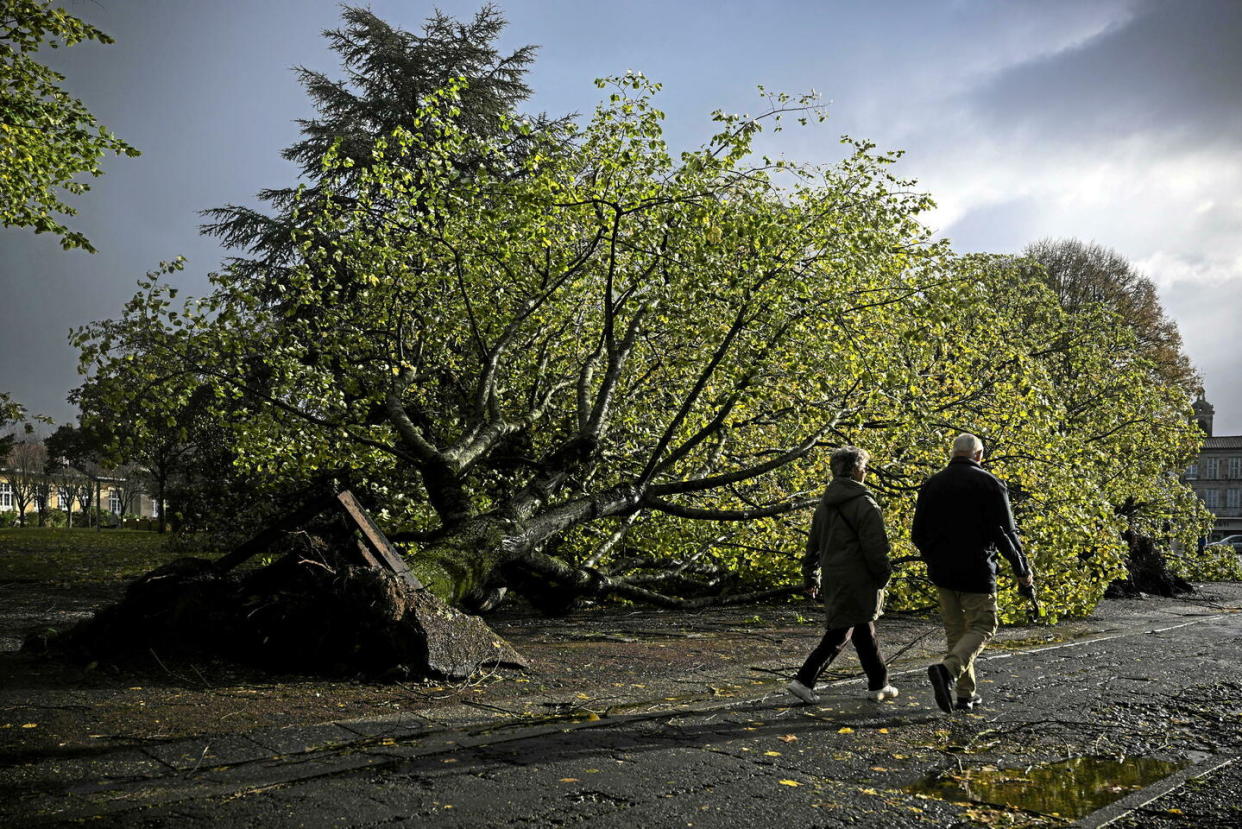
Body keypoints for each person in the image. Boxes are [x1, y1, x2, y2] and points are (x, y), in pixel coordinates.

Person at [912, 433, 1034, 713]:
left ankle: (965, 694)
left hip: (942, 569)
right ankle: (948, 671)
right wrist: (1022, 570)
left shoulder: (931, 484)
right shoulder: (990, 484)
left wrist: (933, 557)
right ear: (978, 455)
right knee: (983, 626)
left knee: (957, 634)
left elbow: (917, 533)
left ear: (954, 453)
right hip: (977, 567)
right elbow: (1006, 534)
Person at [787, 446, 898, 705]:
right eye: (865, 467)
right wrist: (883, 576)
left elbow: (812, 545)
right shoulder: (865, 504)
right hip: (859, 578)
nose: (867, 472)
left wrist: (811, 576)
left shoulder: (824, 505)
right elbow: (876, 547)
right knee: (842, 632)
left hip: (834, 578)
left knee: (862, 630)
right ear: (856, 470)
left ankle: (879, 684)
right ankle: (804, 680)